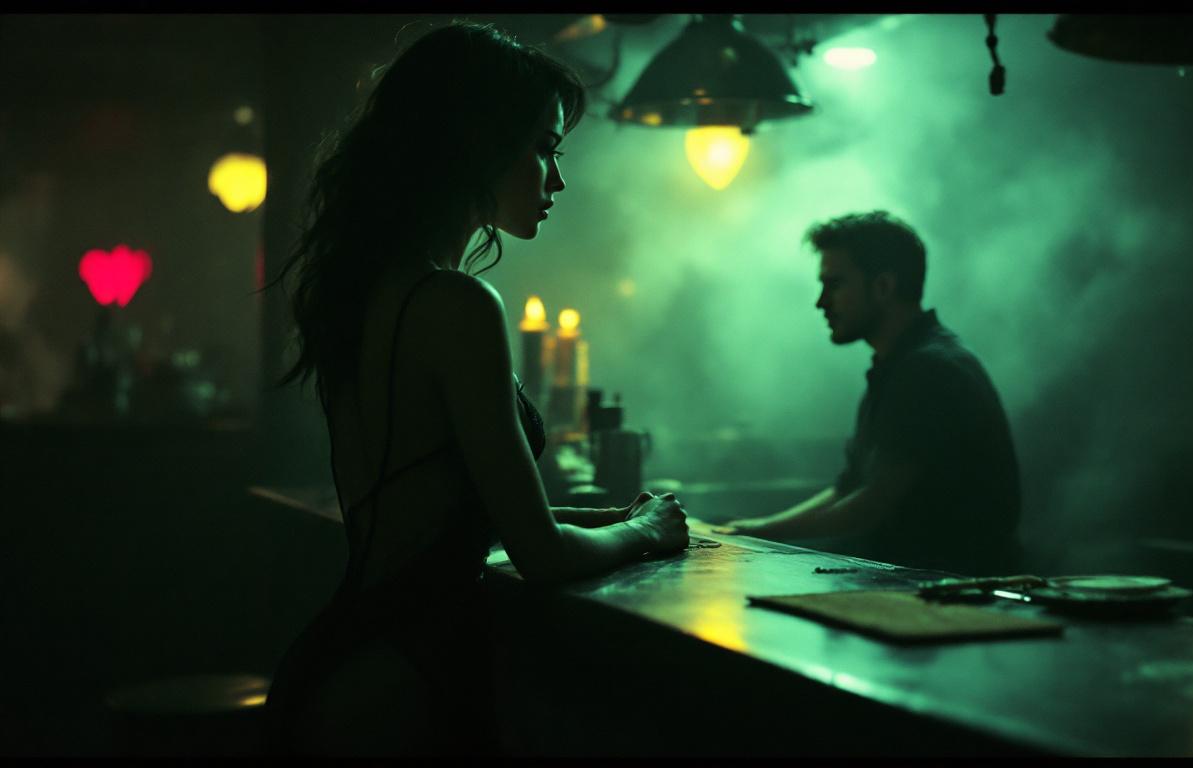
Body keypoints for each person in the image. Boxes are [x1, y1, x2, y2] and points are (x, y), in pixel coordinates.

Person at [262, 22, 688, 755]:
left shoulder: (370, 291)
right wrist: (644, 531)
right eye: (543, 149)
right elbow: (541, 553)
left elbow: (447, 503)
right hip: (410, 677)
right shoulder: (456, 304)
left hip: (352, 653)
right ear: (474, 144)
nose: (556, 180)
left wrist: (605, 514)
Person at [716, 211, 1021, 577]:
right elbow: (850, 488)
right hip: (923, 591)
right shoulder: (903, 364)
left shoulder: (928, 371)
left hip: (953, 599)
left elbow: (870, 504)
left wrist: (758, 532)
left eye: (835, 285)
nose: (821, 302)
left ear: (883, 287)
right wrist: (754, 529)